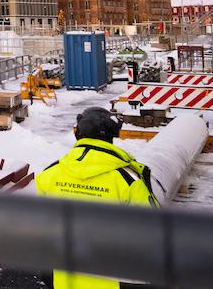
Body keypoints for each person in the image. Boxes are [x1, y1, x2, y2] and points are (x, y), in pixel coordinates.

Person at [36, 107, 158, 289]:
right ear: (111, 136)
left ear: (77, 133)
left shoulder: (49, 174)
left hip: (64, 276)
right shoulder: (128, 180)